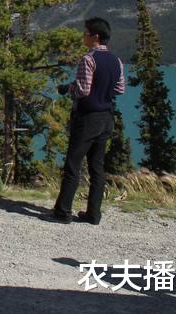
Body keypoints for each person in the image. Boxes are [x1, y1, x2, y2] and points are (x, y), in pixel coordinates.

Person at [51, 17, 125, 225]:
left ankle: (63, 211)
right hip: (107, 118)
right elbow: (120, 89)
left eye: (86, 33)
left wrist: (69, 88)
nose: (83, 36)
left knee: (73, 164)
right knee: (97, 167)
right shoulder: (116, 61)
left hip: (88, 118)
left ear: (95, 37)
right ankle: (94, 213)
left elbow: (83, 90)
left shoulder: (89, 59)